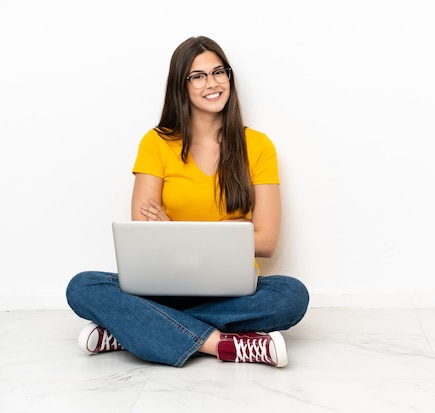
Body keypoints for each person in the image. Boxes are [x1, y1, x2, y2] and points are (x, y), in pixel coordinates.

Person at [65, 36, 309, 368]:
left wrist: (175, 231)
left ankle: (128, 330)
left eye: (219, 72)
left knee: (291, 296)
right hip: (165, 286)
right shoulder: (156, 143)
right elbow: (143, 234)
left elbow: (265, 241)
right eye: (198, 76)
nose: (213, 83)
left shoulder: (258, 145)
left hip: (232, 289)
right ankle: (224, 345)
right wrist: (231, 231)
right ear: (181, 86)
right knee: (82, 286)